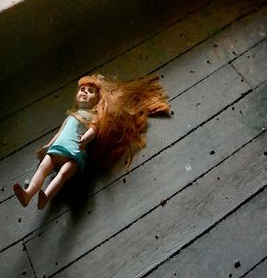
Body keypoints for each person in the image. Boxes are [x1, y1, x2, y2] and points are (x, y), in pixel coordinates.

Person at [13, 72, 170, 210]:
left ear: (97, 99)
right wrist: (48, 146)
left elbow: (93, 130)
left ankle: (46, 196)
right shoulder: (71, 115)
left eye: (90, 91)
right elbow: (60, 133)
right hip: (57, 148)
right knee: (42, 168)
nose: (85, 93)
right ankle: (28, 194)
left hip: (75, 153)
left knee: (63, 174)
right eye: (82, 90)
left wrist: (85, 139)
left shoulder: (92, 116)